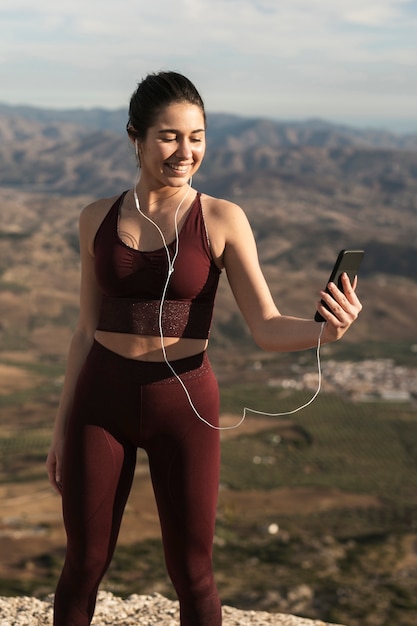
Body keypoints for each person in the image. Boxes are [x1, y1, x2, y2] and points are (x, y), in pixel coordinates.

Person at [46, 71, 362, 626]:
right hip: (101, 403)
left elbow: (265, 324)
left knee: (193, 572)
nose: (184, 151)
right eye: (169, 136)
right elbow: (83, 329)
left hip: (185, 402)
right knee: (83, 563)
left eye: (196, 137)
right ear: (135, 138)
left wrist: (325, 332)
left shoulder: (222, 218)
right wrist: (61, 426)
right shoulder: (94, 218)